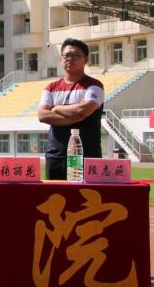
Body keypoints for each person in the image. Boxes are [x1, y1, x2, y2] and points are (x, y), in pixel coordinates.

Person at [36, 38, 104, 180]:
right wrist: (75, 116)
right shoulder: (51, 87)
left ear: (86, 60)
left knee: (83, 194)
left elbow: (82, 111)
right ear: (61, 59)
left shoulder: (94, 86)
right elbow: (42, 115)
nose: (70, 59)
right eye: (67, 55)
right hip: (56, 156)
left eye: (76, 56)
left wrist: (56, 108)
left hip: (85, 155)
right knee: (55, 194)